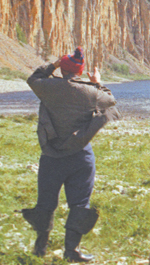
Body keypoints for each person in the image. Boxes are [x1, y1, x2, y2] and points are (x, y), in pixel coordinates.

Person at [22, 47, 120, 262]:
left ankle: (40, 249)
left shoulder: (47, 87)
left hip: (50, 155)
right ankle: (72, 251)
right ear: (80, 71)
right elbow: (110, 102)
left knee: (45, 203)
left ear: (63, 67)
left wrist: (54, 64)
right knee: (80, 203)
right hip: (80, 156)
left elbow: (33, 78)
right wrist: (96, 82)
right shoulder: (91, 92)